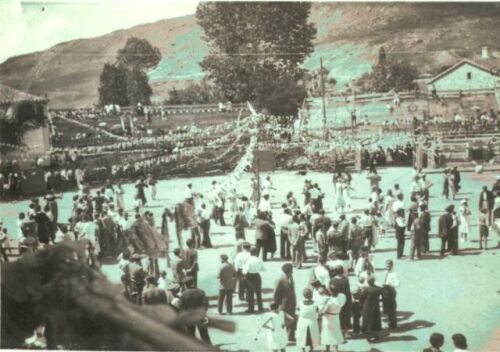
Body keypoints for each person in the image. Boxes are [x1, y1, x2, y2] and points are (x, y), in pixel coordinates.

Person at [179, 276, 211, 345]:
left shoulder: (184, 294)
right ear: (193, 283)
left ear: (185, 284)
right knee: (204, 333)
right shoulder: (201, 292)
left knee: (190, 333)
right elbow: (206, 304)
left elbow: (181, 307)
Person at [319, 285, 346, 352]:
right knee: (336, 332)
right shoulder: (342, 297)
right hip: (336, 316)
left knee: (327, 333)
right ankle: (335, 349)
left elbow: (322, 311)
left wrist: (324, 302)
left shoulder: (329, 301)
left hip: (328, 318)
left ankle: (327, 349)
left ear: (331, 292)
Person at [296, 288, 320, 352]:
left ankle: (303, 350)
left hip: (302, 322)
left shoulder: (300, 303)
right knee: (311, 336)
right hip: (312, 322)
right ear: (311, 295)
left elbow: (297, 312)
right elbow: (318, 312)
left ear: (303, 295)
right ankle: (311, 349)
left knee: (302, 336)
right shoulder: (315, 303)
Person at [360, 276, 383, 342]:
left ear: (368, 282)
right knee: (375, 321)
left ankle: (369, 336)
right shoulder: (378, 288)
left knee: (368, 322)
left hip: (367, 307)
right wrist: (380, 300)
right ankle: (376, 335)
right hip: (375, 307)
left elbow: (361, 298)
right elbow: (384, 295)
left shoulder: (366, 289)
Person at [243, 247, 265, 313]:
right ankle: (260, 307)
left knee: (250, 293)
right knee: (258, 292)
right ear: (256, 253)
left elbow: (245, 271)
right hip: (257, 276)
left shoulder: (248, 261)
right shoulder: (259, 260)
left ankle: (251, 308)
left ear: (250, 253)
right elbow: (263, 269)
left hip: (250, 276)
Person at [382, 259, 399, 329]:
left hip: (391, 291)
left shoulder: (394, 273)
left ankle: (393, 323)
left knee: (392, 308)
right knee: (387, 307)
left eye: (389, 266)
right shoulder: (385, 272)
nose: (387, 267)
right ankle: (390, 321)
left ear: (392, 266)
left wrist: (390, 285)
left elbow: (397, 283)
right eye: (386, 266)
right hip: (385, 291)